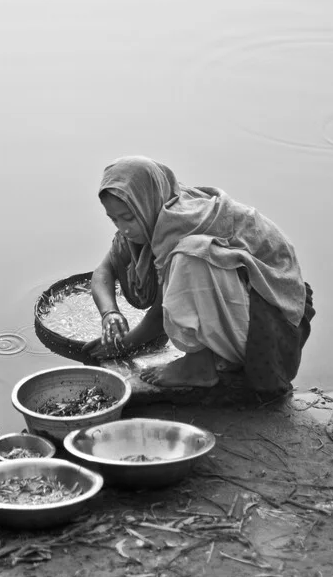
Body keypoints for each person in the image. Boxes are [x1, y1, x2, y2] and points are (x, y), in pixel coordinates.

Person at [85, 156, 315, 397]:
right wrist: (109, 313)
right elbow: (103, 272)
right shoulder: (152, 211)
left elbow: (160, 313)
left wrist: (124, 344)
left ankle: (198, 364)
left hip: (274, 327)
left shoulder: (178, 223)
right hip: (244, 314)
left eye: (128, 218)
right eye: (114, 218)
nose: (123, 228)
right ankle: (213, 353)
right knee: (186, 257)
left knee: (190, 256)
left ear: (146, 200)